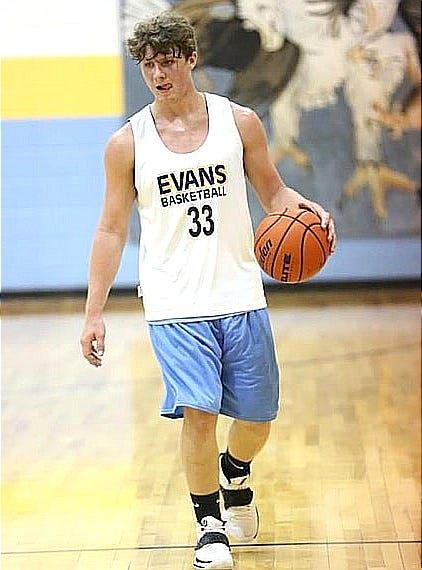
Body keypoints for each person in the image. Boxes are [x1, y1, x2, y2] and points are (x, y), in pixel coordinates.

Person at [80, 11, 336, 569]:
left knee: (257, 420)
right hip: (174, 303)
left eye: (167, 59)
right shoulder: (126, 144)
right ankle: (209, 525)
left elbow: (273, 193)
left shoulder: (239, 122)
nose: (157, 72)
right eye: (147, 63)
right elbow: (110, 228)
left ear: (191, 57)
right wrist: (93, 312)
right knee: (198, 413)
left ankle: (235, 475)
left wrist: (309, 211)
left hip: (240, 294)